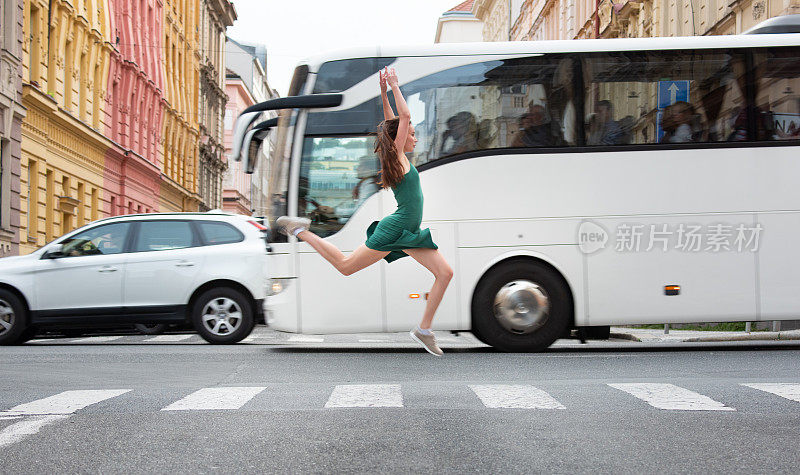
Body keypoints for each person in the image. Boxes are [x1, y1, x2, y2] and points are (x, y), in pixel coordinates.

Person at [276, 67, 454, 357]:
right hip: (397, 230)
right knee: (346, 267)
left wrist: (384, 93)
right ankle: (301, 231)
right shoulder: (396, 158)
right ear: (401, 138)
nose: (415, 139)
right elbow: (403, 119)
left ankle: (424, 330)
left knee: (445, 273)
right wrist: (396, 86)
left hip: (406, 232)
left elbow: (391, 123)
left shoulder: (396, 155)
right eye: (412, 135)